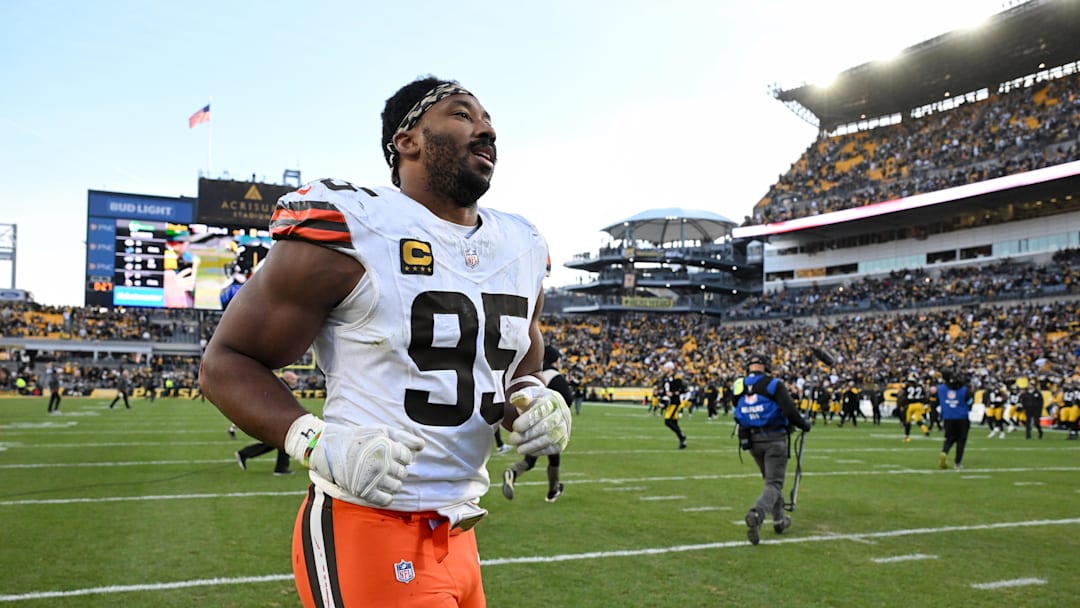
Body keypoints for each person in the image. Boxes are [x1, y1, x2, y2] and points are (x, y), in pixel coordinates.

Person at [199, 75, 571, 608]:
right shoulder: (358, 226)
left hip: (460, 529)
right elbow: (226, 361)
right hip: (367, 523)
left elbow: (518, 373)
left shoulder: (521, 245)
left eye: (488, 120)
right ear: (407, 141)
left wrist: (536, 401)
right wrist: (315, 441)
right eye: (462, 114)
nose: (486, 130)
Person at [733, 352, 811, 546]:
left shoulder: (739, 384)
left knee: (771, 483)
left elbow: (737, 409)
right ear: (766, 366)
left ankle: (779, 522)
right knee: (774, 484)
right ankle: (757, 514)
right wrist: (803, 424)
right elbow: (789, 410)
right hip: (774, 438)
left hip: (752, 441)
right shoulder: (773, 384)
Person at [502, 345, 574, 502]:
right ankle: (553, 490)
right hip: (549, 421)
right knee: (553, 457)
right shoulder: (555, 376)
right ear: (555, 360)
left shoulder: (534, 376)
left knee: (531, 458)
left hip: (530, 420)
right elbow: (567, 399)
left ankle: (513, 472)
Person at [235, 371, 301, 476]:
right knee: (283, 442)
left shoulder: (279, 385)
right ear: (287, 378)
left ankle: (245, 454)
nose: (295, 381)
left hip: (273, 418)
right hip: (275, 419)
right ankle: (280, 468)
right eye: (293, 379)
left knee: (277, 443)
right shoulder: (283, 387)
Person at [936, 370, 974, 470]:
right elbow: (970, 401)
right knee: (961, 440)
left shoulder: (940, 388)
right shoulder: (964, 389)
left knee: (949, 438)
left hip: (948, 417)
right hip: (962, 417)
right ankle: (957, 463)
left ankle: (944, 452)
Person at [656, 361, 688, 448]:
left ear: (670, 368)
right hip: (668, 403)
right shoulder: (665, 378)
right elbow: (664, 390)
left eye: (666, 368)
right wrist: (661, 397)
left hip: (674, 402)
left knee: (668, 421)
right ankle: (682, 441)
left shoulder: (676, 377)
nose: (664, 369)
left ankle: (682, 436)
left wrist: (673, 393)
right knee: (674, 422)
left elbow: (683, 389)